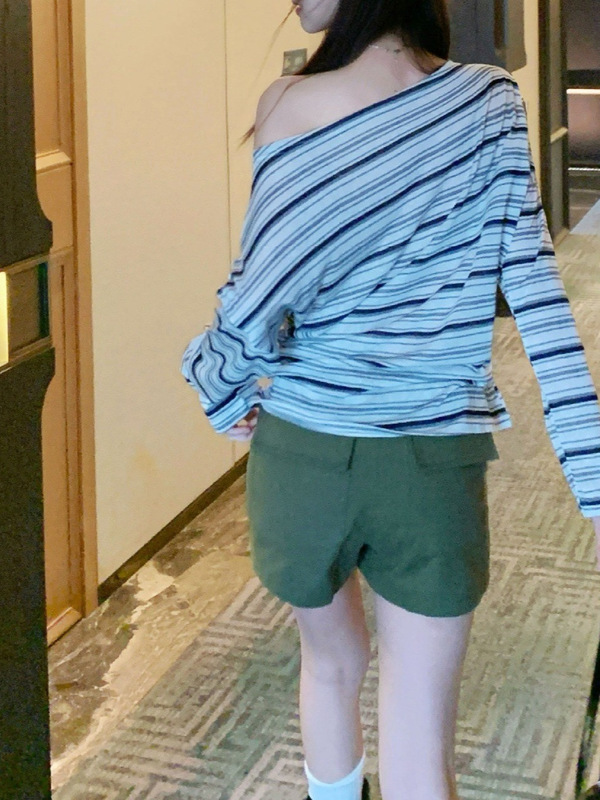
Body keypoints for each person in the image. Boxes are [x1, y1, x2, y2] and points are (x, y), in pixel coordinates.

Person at [181, 1, 600, 798]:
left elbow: (256, 302)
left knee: (330, 665)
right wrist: (596, 485)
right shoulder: (488, 101)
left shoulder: (287, 103)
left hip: (303, 454)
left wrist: (215, 386)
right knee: (419, 734)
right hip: (431, 464)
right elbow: (540, 299)